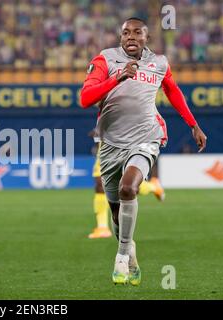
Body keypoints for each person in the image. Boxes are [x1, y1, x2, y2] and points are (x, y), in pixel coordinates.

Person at [80, 18, 207, 285]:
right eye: (126, 32)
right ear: (120, 36)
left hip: (146, 137)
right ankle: (130, 250)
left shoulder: (159, 63)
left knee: (129, 189)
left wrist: (193, 125)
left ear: (146, 38)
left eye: (137, 32)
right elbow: (85, 98)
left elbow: (173, 92)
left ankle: (121, 257)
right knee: (116, 211)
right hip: (111, 144)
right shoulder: (105, 60)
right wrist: (117, 77)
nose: (131, 37)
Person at [87, 129, 165, 240]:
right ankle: (102, 227)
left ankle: (153, 187)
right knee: (100, 183)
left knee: (128, 187)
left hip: (126, 139)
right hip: (106, 143)